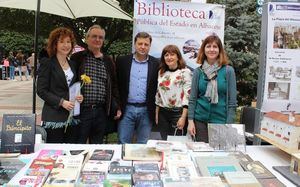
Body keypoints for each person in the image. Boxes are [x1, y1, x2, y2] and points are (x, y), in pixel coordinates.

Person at [71, 25, 121, 144]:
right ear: (87, 38)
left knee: (97, 148)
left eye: (101, 37)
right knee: (78, 146)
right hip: (82, 111)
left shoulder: (108, 61)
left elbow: (114, 85)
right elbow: (70, 81)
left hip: (101, 112)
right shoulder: (77, 58)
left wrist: (118, 106)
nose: (97, 40)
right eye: (94, 36)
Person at [37, 27, 83, 143]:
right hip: (54, 117)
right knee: (54, 153)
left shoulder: (73, 64)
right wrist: (61, 102)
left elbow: (73, 87)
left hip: (71, 117)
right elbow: (41, 90)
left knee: (69, 152)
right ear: (55, 44)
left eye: (68, 42)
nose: (65, 45)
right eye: (61, 41)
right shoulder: (47, 63)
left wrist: (79, 96)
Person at [188, 35, 237, 142]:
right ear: (203, 49)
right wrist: (190, 121)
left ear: (219, 50)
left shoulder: (228, 71)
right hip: (199, 121)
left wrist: (228, 125)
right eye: (208, 46)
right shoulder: (198, 72)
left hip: (220, 121)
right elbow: (192, 99)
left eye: (215, 46)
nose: (211, 49)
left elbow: (232, 102)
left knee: (219, 155)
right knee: (200, 154)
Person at [116, 32, 159, 144]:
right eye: (140, 43)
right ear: (135, 44)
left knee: (143, 144)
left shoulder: (156, 63)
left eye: (146, 44)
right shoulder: (122, 61)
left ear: (150, 46)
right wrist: (117, 107)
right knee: (123, 142)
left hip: (146, 110)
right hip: (126, 109)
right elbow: (116, 85)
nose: (143, 47)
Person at [155, 45, 192, 140]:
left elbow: (187, 96)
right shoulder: (161, 72)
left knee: (176, 144)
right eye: (166, 55)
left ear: (178, 57)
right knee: (164, 142)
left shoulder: (185, 72)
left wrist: (183, 117)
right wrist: (156, 113)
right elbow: (158, 94)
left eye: (172, 54)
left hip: (178, 113)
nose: (169, 57)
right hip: (162, 113)